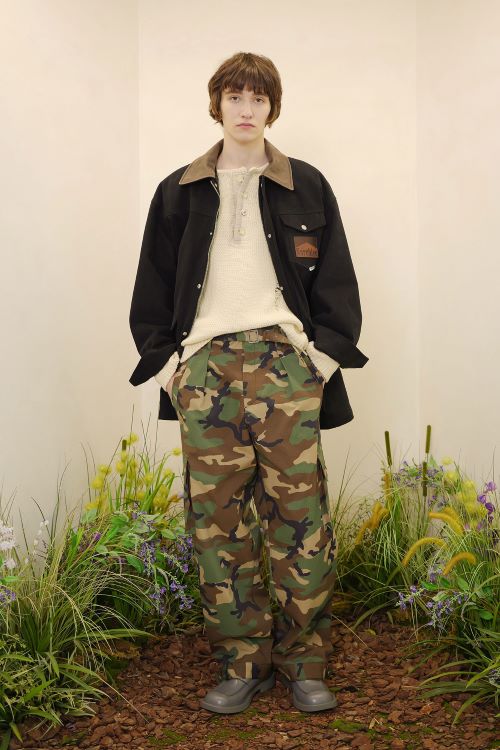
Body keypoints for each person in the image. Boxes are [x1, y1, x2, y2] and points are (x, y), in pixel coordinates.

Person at [129, 51, 369, 714]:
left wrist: (321, 362)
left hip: (286, 366)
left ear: (272, 107)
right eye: (234, 97)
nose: (246, 109)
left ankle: (306, 665)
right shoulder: (178, 190)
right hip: (205, 371)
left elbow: (338, 279)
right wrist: (171, 369)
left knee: (301, 519)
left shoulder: (306, 185)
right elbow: (151, 287)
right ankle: (242, 665)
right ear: (217, 105)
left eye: (258, 98)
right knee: (219, 526)